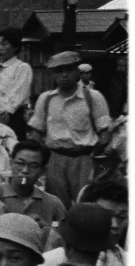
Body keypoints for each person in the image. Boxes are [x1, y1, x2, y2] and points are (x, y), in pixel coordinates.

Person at [27, 50, 112, 208]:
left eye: (69, 70)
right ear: (53, 74)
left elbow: (105, 133)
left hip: (84, 160)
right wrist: (38, 160)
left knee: (86, 205)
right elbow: (36, 133)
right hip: (55, 160)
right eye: (59, 71)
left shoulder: (93, 97)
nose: (64, 75)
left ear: (77, 72)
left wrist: (94, 158)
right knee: (56, 206)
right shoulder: (46, 99)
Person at [0, 28, 33, 140]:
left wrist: (6, 114)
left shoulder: (22, 67)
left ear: (15, 46)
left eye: (4, 44)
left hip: (12, 116)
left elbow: (18, 96)